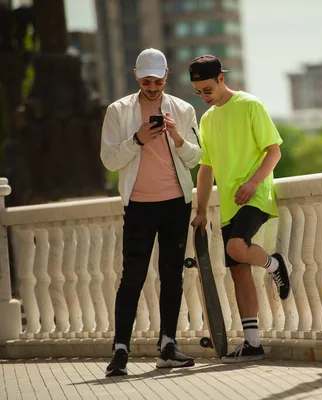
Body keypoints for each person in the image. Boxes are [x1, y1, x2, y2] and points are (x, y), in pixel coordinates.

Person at [100, 48, 202, 377]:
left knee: (172, 275)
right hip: (139, 205)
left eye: (158, 80)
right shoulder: (118, 111)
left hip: (176, 203)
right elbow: (109, 160)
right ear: (135, 76)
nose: (153, 86)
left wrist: (175, 136)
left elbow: (195, 158)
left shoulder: (184, 110)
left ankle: (168, 346)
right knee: (132, 276)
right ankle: (120, 351)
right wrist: (137, 139)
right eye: (146, 80)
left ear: (167, 76)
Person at [189, 54, 291, 363]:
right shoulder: (207, 120)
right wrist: (202, 210)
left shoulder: (250, 105)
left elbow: (274, 152)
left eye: (207, 90)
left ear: (221, 79)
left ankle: (274, 264)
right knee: (238, 273)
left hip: (256, 194)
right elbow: (205, 171)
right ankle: (252, 343)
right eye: (198, 92)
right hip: (231, 204)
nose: (204, 97)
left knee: (236, 247)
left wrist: (253, 182)